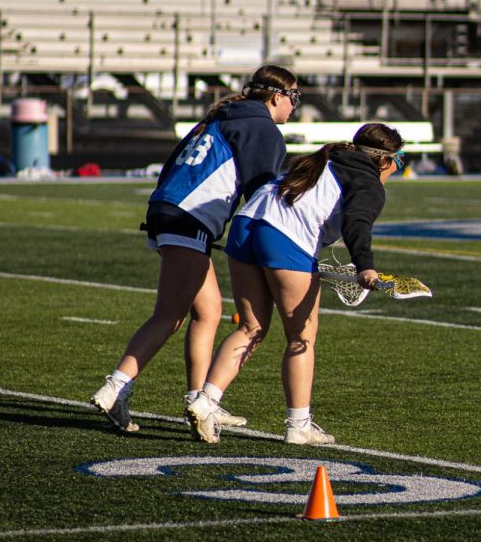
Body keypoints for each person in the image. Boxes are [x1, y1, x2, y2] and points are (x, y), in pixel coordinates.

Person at [89, 64, 300, 433]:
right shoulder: (262, 127)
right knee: (169, 315)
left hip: (168, 209)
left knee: (208, 310)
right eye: (294, 98)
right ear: (276, 96)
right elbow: (261, 196)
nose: (295, 106)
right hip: (191, 216)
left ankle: (198, 402)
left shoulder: (222, 114)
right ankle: (117, 387)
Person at [185, 122, 404, 446]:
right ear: (385, 160)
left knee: (250, 328)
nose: (395, 172)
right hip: (284, 237)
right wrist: (366, 267)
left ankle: (205, 401)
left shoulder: (326, 158)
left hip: (246, 226)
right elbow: (358, 224)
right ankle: (298, 424)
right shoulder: (368, 181)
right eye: (398, 164)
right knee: (301, 337)